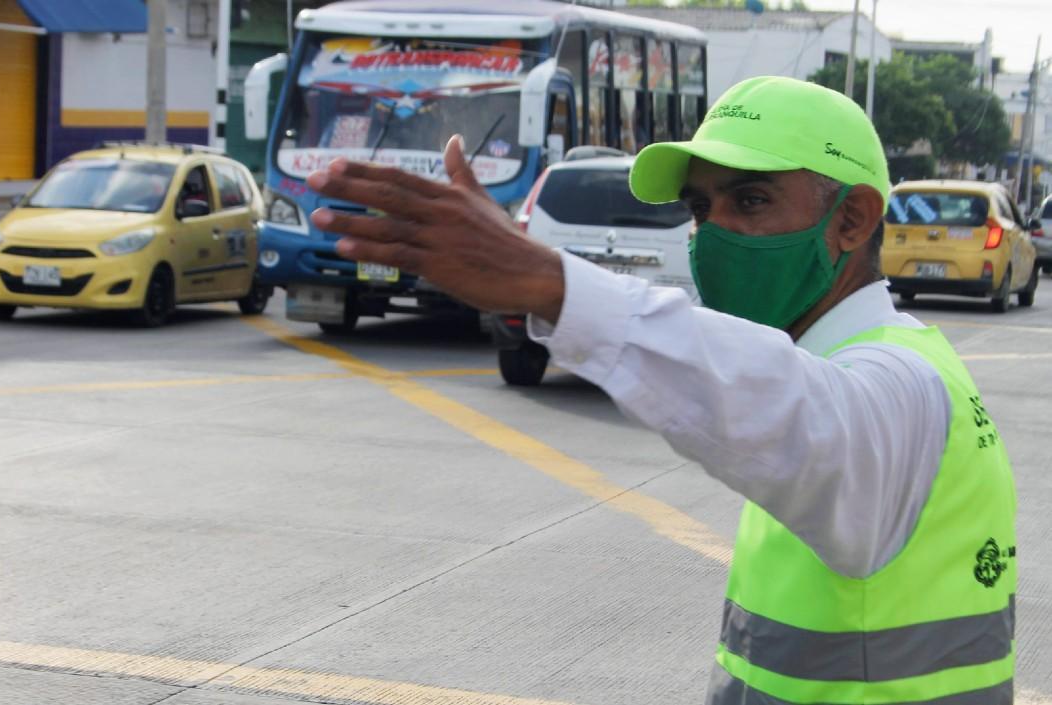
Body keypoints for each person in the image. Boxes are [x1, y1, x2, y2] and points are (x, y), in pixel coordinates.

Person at [304, 76, 1018, 704]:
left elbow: (781, 403)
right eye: (701, 209)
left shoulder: (900, 385)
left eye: (752, 199)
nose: (715, 234)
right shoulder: (869, 357)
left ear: (853, 219)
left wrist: (551, 283)